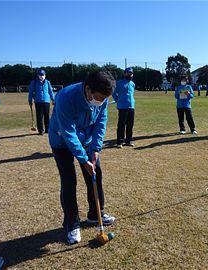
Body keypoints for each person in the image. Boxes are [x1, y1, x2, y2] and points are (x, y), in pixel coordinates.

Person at [48, 71, 116, 245]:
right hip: (61, 141)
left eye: (104, 99)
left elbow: (101, 122)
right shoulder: (65, 98)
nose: (100, 102)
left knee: (95, 174)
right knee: (69, 180)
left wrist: (95, 149)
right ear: (88, 89)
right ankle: (72, 224)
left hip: (86, 139)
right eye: (98, 97)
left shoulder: (103, 98)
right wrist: (82, 158)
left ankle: (96, 215)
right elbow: (68, 132)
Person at [112, 67, 135, 148]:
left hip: (131, 106)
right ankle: (120, 141)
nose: (130, 74)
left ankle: (129, 140)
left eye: (131, 73)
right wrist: (118, 100)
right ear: (125, 73)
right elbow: (114, 93)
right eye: (128, 73)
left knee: (130, 124)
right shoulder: (119, 83)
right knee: (121, 124)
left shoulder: (132, 84)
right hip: (122, 107)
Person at [28, 69, 55, 135]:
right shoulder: (34, 82)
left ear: (45, 75)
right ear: (38, 75)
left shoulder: (47, 82)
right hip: (38, 101)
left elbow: (50, 92)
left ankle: (47, 129)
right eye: (40, 75)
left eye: (43, 75)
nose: (42, 76)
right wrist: (30, 100)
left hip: (46, 101)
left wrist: (53, 99)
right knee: (39, 116)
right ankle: (40, 130)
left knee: (47, 116)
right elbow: (31, 92)